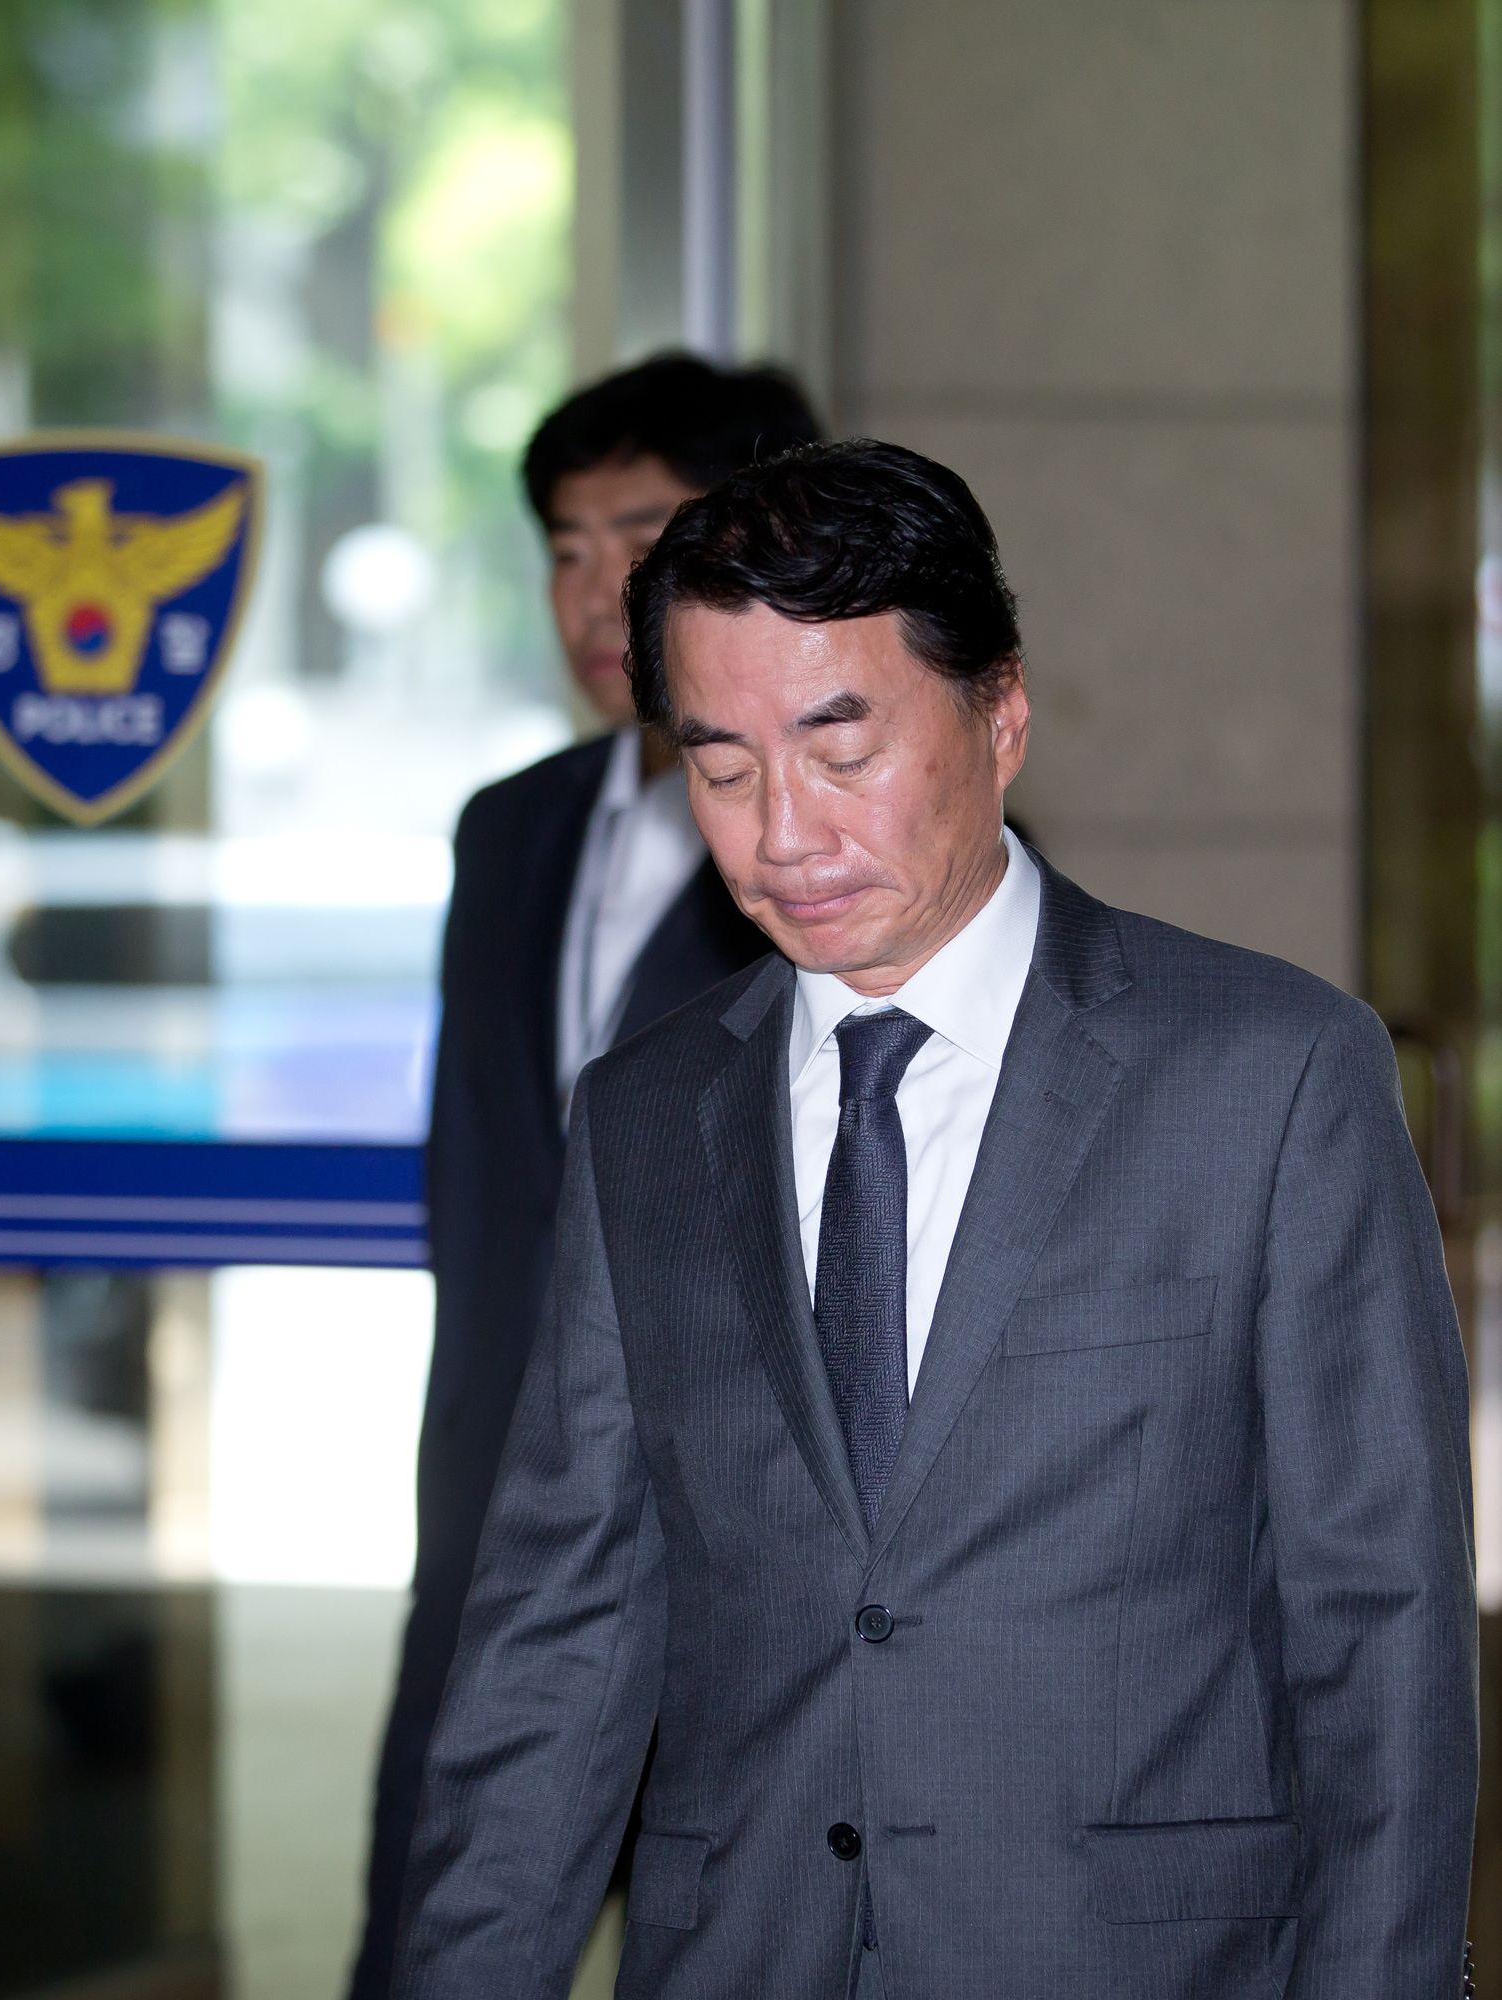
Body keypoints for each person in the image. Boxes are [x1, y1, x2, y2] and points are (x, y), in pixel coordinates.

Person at [391, 440, 1478, 1999]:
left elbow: (1380, 1625)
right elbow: (560, 1630)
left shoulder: (1270, 1073)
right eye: (723, 769)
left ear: (1001, 713)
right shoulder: (645, 1112)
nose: (783, 835)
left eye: (841, 752)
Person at [348, 355, 821, 2000]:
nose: (596, 590)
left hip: (759, 1565)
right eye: (565, 546)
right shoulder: (510, 829)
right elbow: (480, 1194)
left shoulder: (852, 847)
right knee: (434, 1940)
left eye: (645, 536)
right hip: (503, 1528)